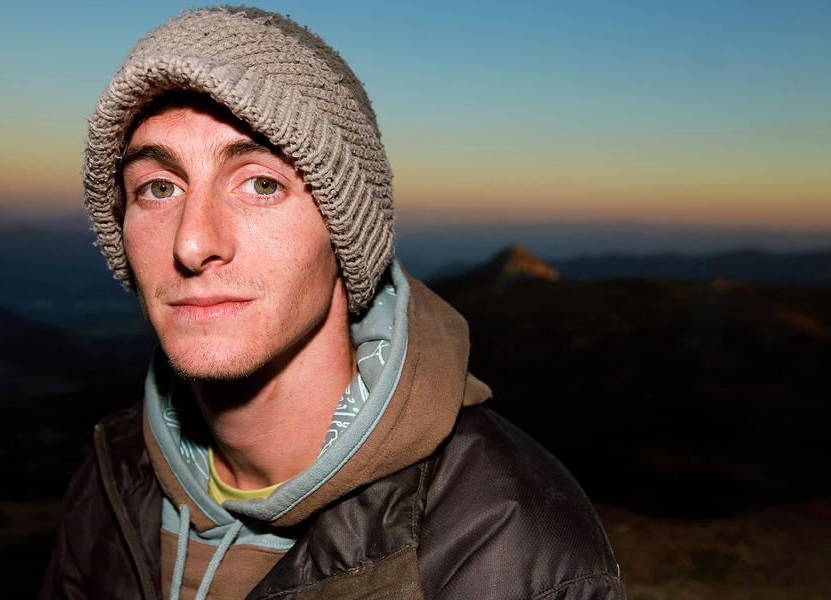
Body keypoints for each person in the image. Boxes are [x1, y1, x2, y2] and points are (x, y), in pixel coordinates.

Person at [40, 6, 625, 600]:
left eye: (262, 184)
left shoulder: (508, 541)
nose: (193, 242)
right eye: (158, 188)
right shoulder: (113, 477)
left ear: (345, 233)